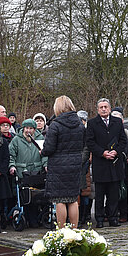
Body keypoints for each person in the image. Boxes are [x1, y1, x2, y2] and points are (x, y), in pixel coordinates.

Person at [41, 96, 85, 228]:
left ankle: (62, 232)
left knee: (59, 200)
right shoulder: (79, 124)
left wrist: (42, 152)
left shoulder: (55, 125)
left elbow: (49, 148)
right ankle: (74, 230)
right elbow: (82, 144)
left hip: (58, 166)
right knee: (72, 199)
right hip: (75, 164)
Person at [86, 98, 127, 228]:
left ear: (110, 108)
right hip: (100, 163)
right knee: (100, 194)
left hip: (115, 163)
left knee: (113, 194)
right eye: (101, 107)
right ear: (97, 109)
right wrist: (102, 152)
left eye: (106, 107)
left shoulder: (117, 122)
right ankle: (99, 218)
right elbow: (90, 142)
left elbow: (123, 141)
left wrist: (116, 151)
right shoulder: (92, 123)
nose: (104, 109)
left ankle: (113, 217)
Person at [9, 118, 46, 228]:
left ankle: (35, 220)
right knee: (24, 196)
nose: (28, 131)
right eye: (26, 128)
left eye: (31, 128)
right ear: (23, 128)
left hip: (36, 172)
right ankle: (24, 218)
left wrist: (45, 164)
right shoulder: (16, 140)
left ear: (34, 129)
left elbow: (44, 154)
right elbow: (11, 155)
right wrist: (12, 166)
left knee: (36, 197)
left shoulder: (40, 139)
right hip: (22, 172)